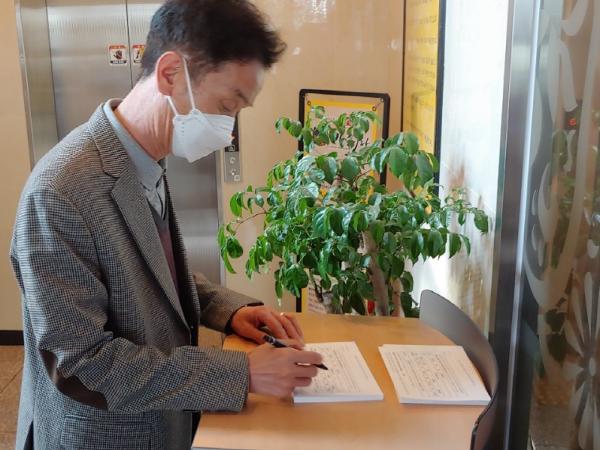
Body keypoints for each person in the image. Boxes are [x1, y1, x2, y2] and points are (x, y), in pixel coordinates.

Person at [9, 1, 322, 449]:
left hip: (161, 421)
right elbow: (82, 363)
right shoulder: (60, 191)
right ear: (171, 73)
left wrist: (228, 310)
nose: (228, 129)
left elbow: (151, 274)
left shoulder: (144, 160)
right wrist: (243, 373)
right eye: (227, 105)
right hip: (103, 436)